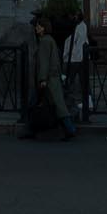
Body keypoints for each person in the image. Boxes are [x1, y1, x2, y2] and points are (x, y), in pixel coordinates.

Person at [23, 12, 76, 140]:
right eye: (37, 26)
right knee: (54, 106)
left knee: (40, 105)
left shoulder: (45, 42)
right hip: (51, 80)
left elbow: (44, 63)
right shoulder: (49, 40)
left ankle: (70, 129)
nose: (36, 28)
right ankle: (31, 131)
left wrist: (42, 79)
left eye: (39, 26)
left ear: (44, 28)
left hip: (48, 81)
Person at [63, 6, 91, 121]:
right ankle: (83, 102)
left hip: (76, 58)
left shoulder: (79, 27)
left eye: (74, 15)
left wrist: (67, 56)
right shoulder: (79, 27)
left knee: (73, 81)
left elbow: (75, 43)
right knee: (78, 81)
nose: (73, 17)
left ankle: (81, 103)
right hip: (78, 58)